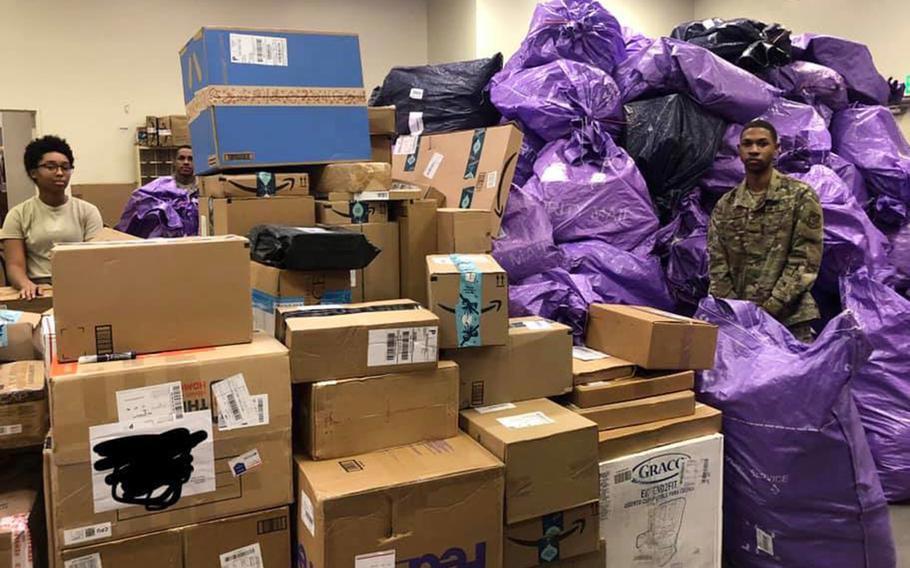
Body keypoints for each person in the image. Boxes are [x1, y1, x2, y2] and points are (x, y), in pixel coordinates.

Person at [707, 119, 824, 343]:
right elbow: (717, 265)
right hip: (740, 327)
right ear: (739, 151)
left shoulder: (800, 196)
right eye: (748, 144)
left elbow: (805, 261)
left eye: (762, 144)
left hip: (790, 322)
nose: (754, 150)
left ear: (776, 149)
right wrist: (738, 315)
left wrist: (768, 310)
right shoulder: (726, 206)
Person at [0, 135, 102, 299]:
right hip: (38, 289)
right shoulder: (18, 214)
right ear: (34, 172)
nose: (60, 173)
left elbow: (97, 260)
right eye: (51, 167)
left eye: (65, 167)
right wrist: (25, 284)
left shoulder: (88, 211)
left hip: (80, 286)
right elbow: (14, 265)